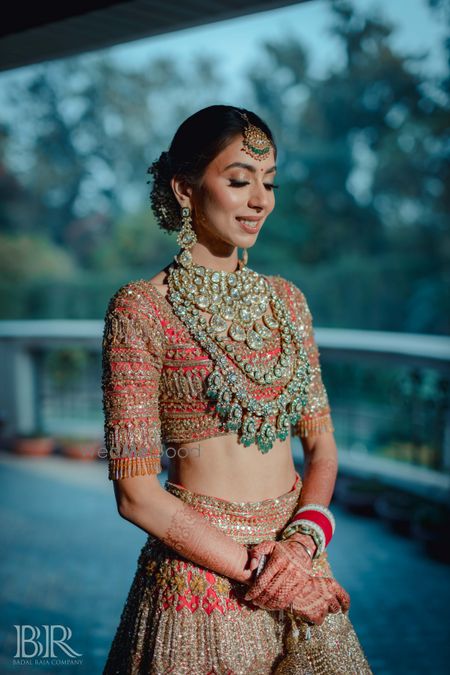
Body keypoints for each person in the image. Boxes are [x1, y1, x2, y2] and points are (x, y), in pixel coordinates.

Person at [101, 105, 372, 674]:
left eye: (269, 183)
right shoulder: (141, 309)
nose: (260, 200)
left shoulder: (288, 301)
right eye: (238, 180)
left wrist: (301, 548)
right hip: (201, 580)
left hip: (297, 559)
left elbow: (321, 448)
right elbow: (136, 495)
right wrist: (266, 575)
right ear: (184, 187)